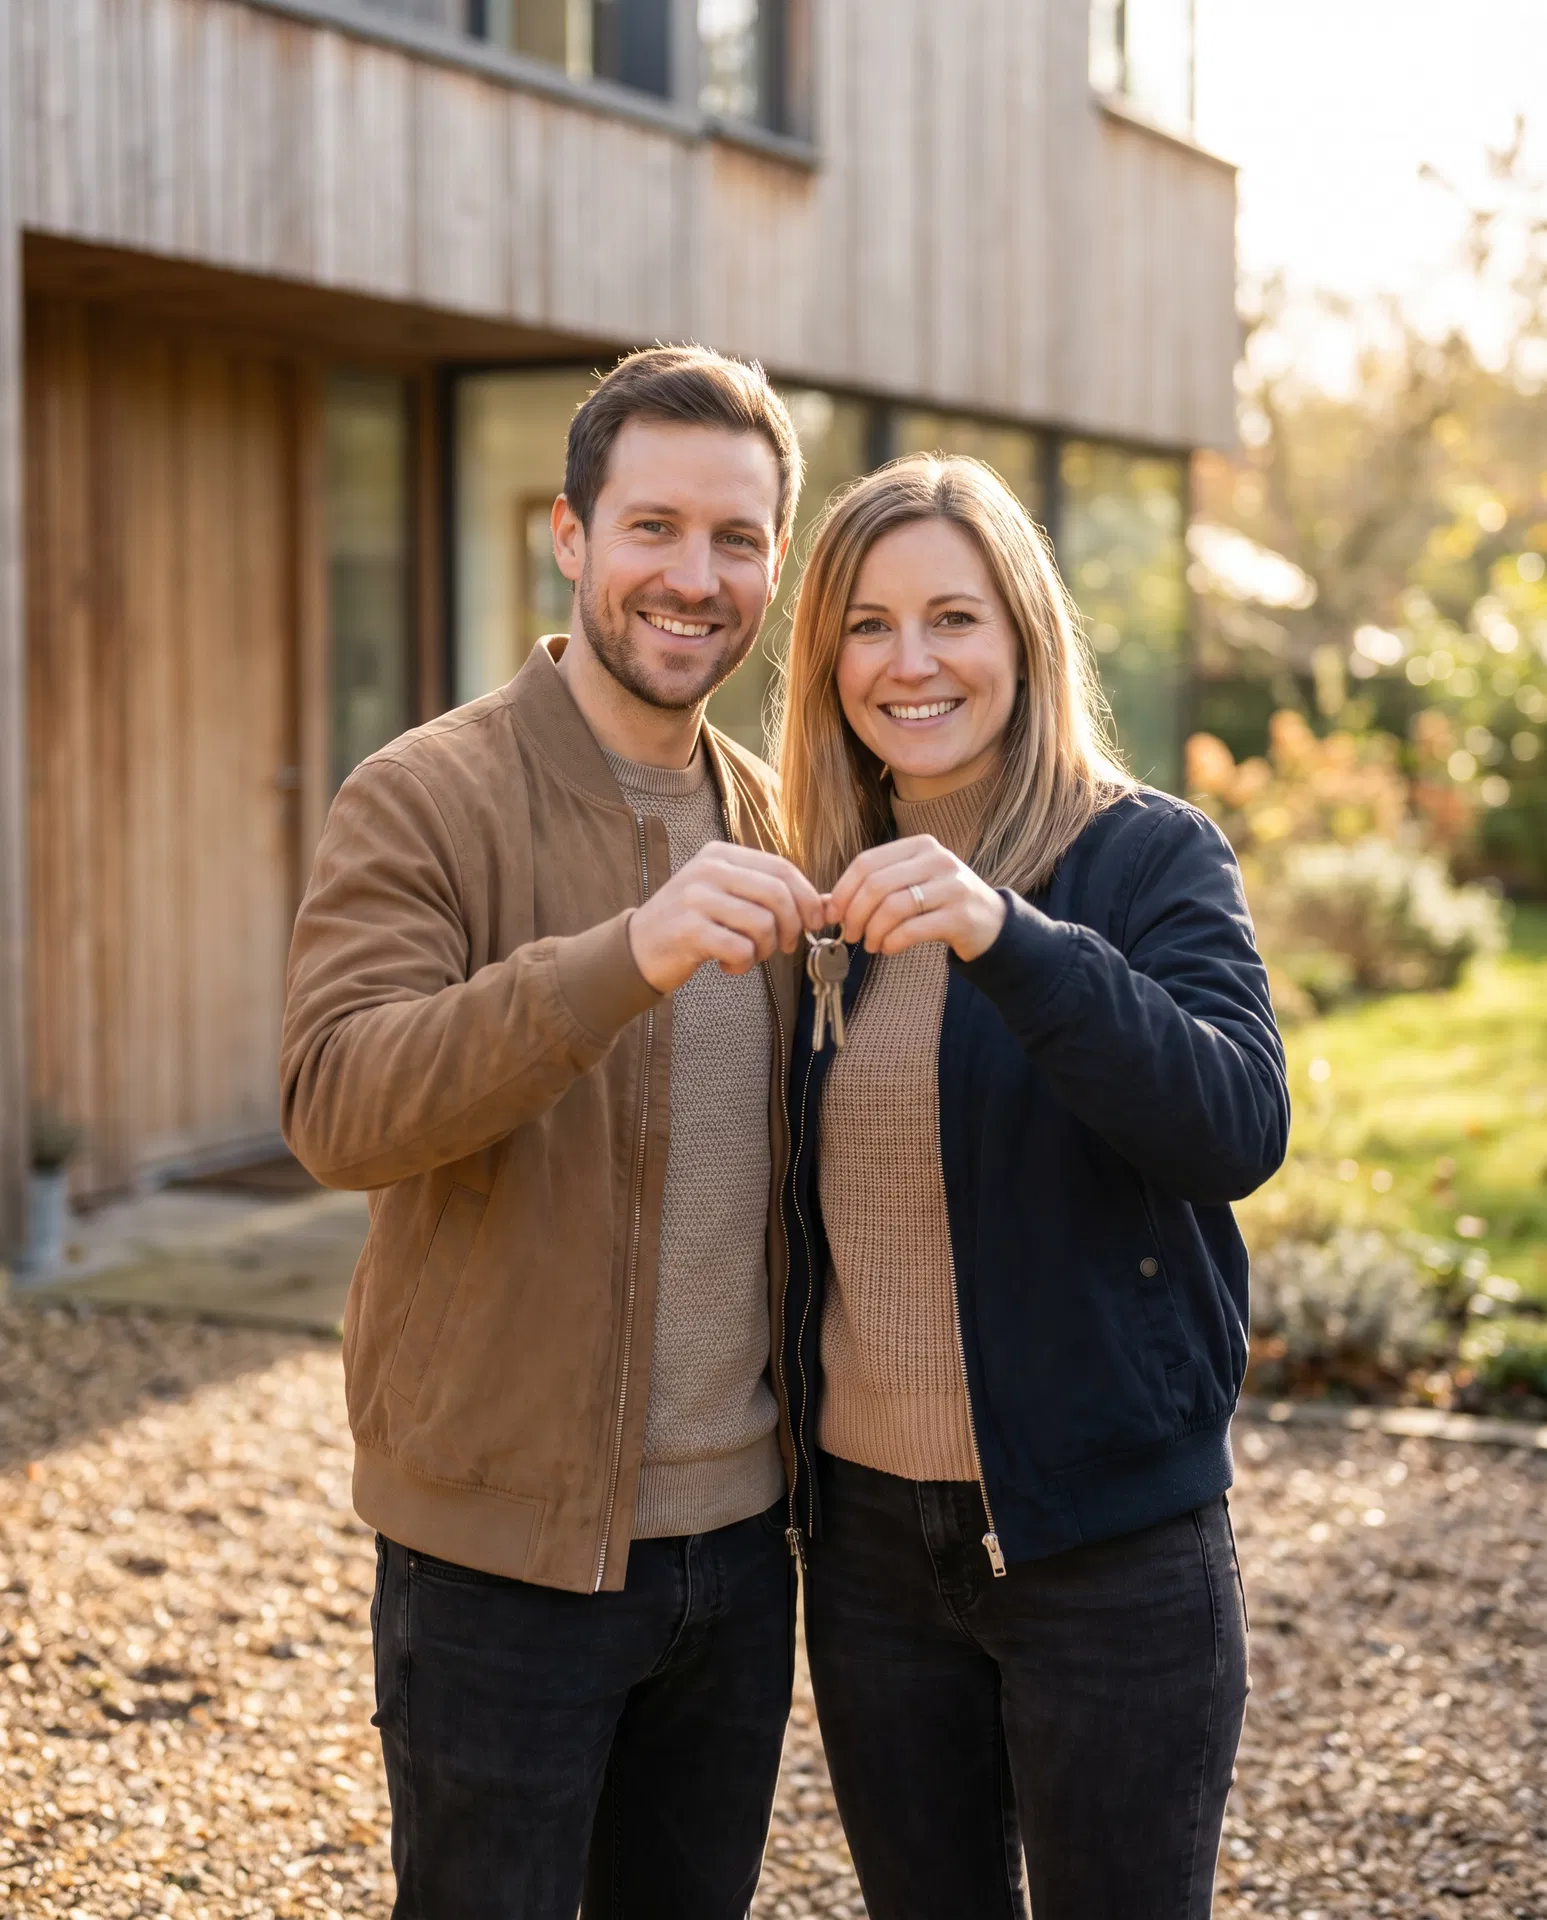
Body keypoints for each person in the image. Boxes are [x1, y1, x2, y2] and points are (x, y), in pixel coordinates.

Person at [280, 345, 828, 1920]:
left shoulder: (777, 815)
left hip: (739, 1554)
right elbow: (337, 1104)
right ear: (569, 536)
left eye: (736, 539)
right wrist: (624, 957)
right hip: (500, 1570)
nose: (694, 577)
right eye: (653, 526)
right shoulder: (423, 795)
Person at [775, 455, 1290, 1920]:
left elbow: (1235, 1125)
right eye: (868, 625)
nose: (911, 662)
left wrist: (1009, 936)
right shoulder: (817, 881)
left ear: (1023, 634)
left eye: (954, 617)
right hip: (871, 1552)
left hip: (1102, 1544)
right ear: (825, 662)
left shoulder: (1142, 856)